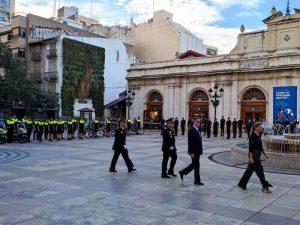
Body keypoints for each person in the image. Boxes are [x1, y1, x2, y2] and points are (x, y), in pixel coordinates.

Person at [238, 122, 273, 193]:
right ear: (256, 128)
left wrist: (265, 154)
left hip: (258, 154)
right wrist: (251, 158)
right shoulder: (252, 136)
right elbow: (250, 148)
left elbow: (260, 147)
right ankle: (265, 187)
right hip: (253, 155)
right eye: (260, 127)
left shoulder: (259, 135)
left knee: (249, 171)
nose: (261, 128)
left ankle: (242, 184)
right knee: (260, 172)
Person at [179, 117, 204, 185]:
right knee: (196, 165)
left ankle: (183, 172)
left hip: (198, 150)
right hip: (193, 151)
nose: (199, 123)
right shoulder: (191, 130)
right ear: (194, 122)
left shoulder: (198, 129)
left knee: (195, 165)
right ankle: (196, 180)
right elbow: (190, 142)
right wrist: (191, 152)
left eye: (199, 121)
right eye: (198, 122)